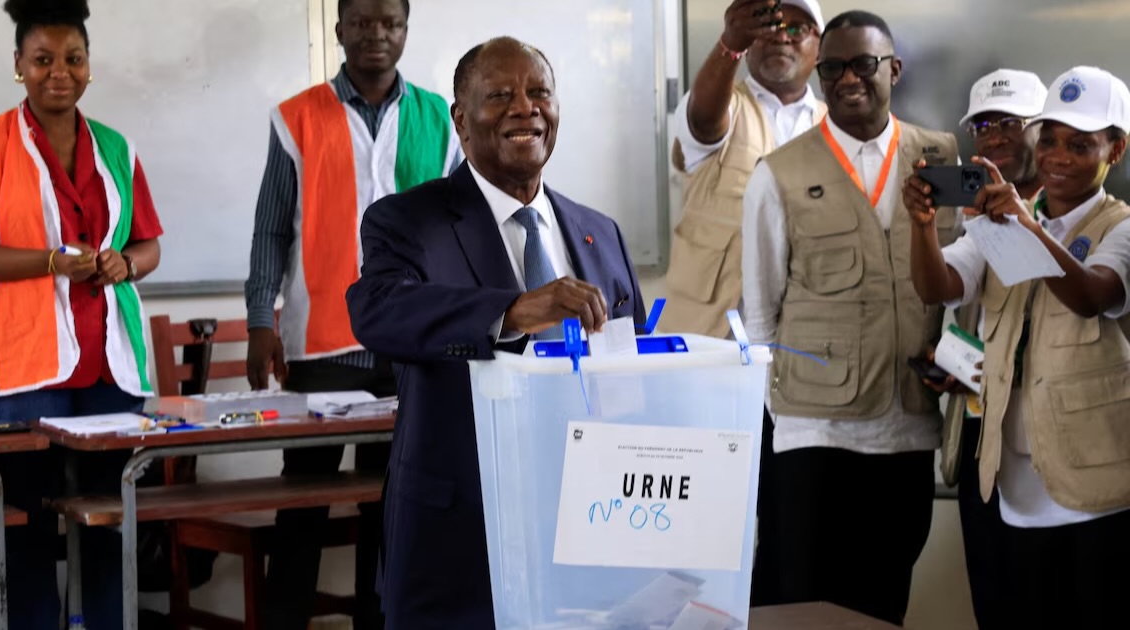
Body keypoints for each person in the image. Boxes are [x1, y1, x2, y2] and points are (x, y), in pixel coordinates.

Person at [345, 37, 646, 628]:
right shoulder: (407, 220)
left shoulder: (598, 231)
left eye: (539, 92)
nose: (524, 108)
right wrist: (511, 312)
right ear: (459, 119)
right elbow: (378, 310)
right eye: (500, 95)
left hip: (590, 532)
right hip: (460, 538)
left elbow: (631, 376)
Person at [0, 0, 162, 627]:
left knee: (107, 524)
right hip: (22, 372)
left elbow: (148, 244)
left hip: (110, 369)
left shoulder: (117, 146)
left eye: (72, 59)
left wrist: (126, 265)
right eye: (42, 60)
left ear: (90, 68)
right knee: (26, 526)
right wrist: (47, 262)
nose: (58, 72)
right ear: (18, 66)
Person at [243, 0, 462, 626]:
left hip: (410, 345)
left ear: (405, 31)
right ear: (339, 30)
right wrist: (261, 318)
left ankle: (381, 618)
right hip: (322, 348)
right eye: (362, 22)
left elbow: (452, 230)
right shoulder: (297, 117)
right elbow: (270, 231)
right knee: (302, 500)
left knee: (394, 503)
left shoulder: (440, 119)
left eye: (389, 22)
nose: (376, 34)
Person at [740, 11, 960, 625]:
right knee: (803, 597)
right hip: (814, 433)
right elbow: (759, 312)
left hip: (908, 428)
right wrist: (781, 413)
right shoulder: (779, 174)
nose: (846, 80)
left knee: (883, 597)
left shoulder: (938, 157)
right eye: (831, 68)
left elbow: (968, 278)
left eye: (863, 64)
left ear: (893, 68)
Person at [904, 65, 1130, 629]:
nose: (1056, 156)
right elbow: (938, 287)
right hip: (1014, 487)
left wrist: (1025, 227)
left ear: (1116, 150)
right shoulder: (1002, 223)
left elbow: (1091, 295)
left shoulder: (1119, 227)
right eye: (1049, 140)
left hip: (1096, 487)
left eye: (1080, 145)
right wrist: (923, 224)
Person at [936, 68, 1046, 630]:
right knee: (993, 594)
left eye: (1011, 122)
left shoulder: (1079, 214)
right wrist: (954, 362)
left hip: (1050, 442)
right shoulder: (970, 208)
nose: (996, 135)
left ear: (1042, 130)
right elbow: (955, 296)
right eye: (984, 124)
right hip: (983, 432)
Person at [660, 0, 825, 338]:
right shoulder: (724, 105)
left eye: (797, 29)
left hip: (802, 335)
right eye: (770, 27)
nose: (781, 37)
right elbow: (703, 122)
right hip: (715, 336)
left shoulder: (834, 126)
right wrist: (729, 45)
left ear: (819, 48)